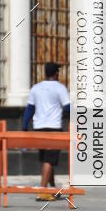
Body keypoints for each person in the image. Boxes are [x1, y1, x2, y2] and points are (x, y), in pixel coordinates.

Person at [22, 62, 71, 202]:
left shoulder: (36, 88)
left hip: (38, 128)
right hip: (54, 128)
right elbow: (68, 108)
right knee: (49, 160)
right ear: (56, 73)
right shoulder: (60, 88)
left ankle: (53, 188)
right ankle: (42, 191)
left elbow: (30, 109)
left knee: (47, 159)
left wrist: (25, 127)